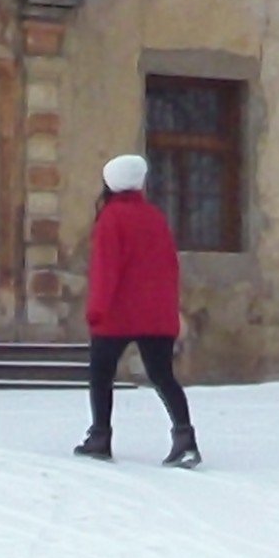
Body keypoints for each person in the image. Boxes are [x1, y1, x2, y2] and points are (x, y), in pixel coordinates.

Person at [77, 153, 200, 467]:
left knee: (101, 375)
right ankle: (185, 439)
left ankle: (100, 437)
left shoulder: (111, 218)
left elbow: (106, 270)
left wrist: (97, 310)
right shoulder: (155, 217)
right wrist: (171, 309)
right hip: (156, 314)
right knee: (163, 376)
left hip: (117, 314)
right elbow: (169, 266)